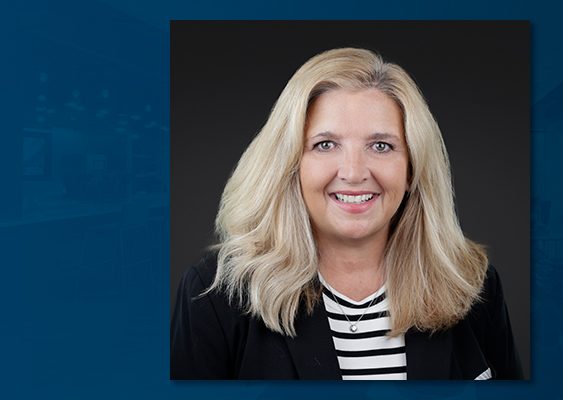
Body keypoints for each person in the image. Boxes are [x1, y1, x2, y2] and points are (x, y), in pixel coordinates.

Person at [171, 47, 523, 380]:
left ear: (412, 168)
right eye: (325, 145)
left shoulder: (472, 285)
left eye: (381, 146)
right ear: (291, 164)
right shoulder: (215, 294)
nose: (354, 173)